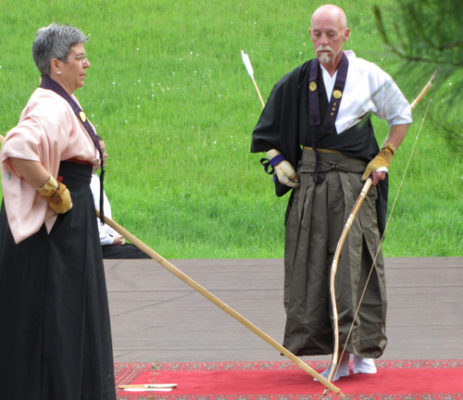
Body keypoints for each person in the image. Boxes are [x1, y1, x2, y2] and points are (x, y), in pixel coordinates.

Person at [251, 4, 412, 381]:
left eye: (331, 34)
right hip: (312, 185)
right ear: (310, 34)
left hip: (354, 184)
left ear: (346, 34)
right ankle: (335, 354)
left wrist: (385, 154)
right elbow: (265, 133)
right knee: (313, 265)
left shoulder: (368, 74)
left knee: (355, 263)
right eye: (317, 34)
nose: (323, 41)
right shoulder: (296, 81)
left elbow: (401, 115)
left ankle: (363, 349)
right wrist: (279, 161)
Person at [0, 24, 116, 399]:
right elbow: (17, 148)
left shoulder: (58, 99)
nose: (87, 64)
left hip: (70, 220)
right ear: (56, 65)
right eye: (79, 58)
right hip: (57, 231)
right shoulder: (50, 104)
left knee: (68, 312)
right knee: (57, 314)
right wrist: (52, 190)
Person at [91, 137, 150, 259]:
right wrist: (110, 240)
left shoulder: (95, 179)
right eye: (101, 151)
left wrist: (116, 236)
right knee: (143, 258)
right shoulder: (84, 185)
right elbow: (90, 226)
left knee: (144, 254)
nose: (106, 155)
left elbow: (104, 221)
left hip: (107, 241)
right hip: (96, 247)